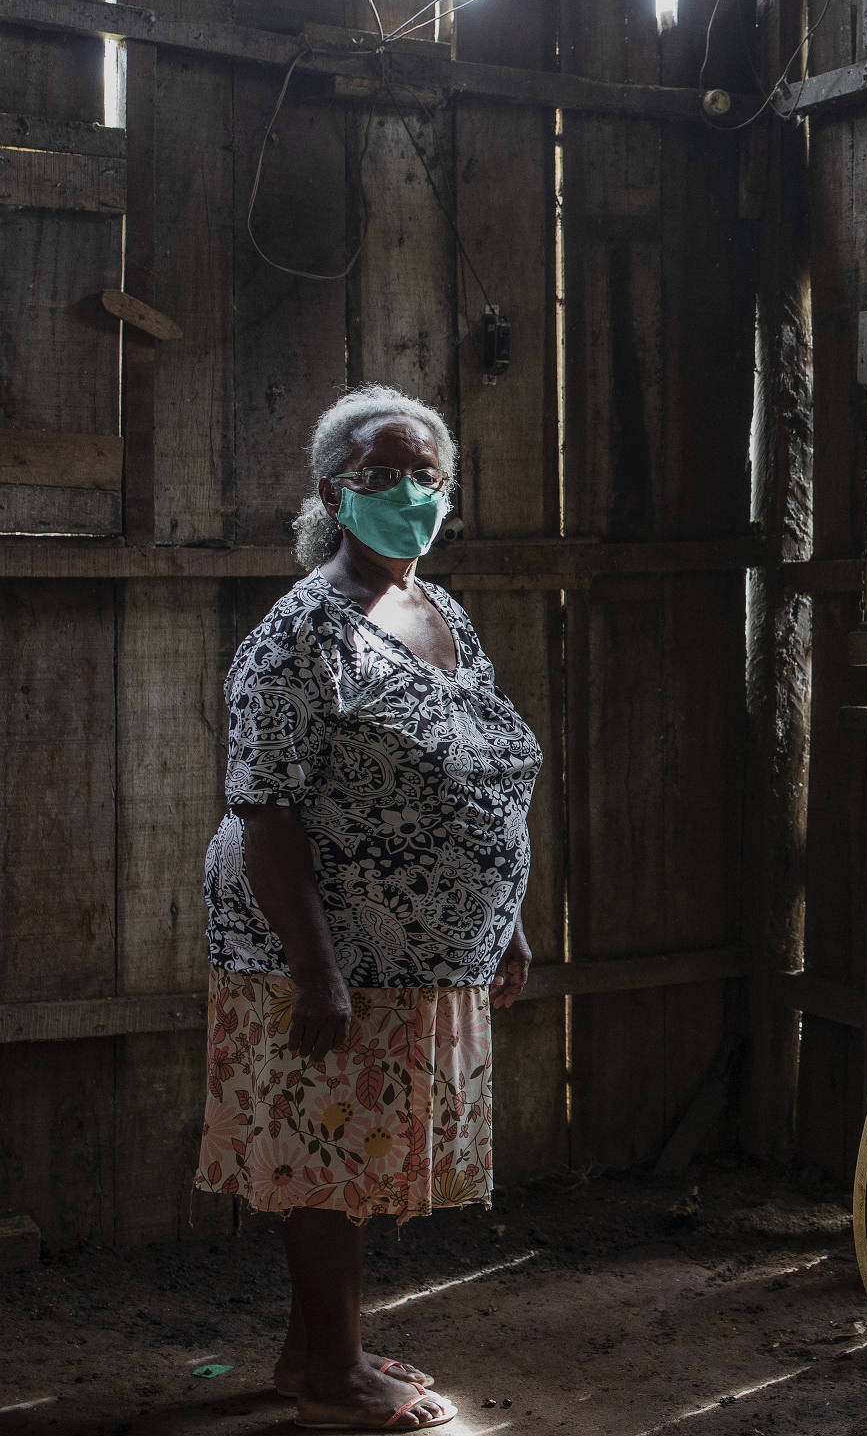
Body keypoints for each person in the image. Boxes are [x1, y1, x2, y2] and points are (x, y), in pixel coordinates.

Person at [194, 386, 541, 1431]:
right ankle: (338, 1371)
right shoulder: (303, 631)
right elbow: (266, 809)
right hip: (318, 945)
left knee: (355, 1148)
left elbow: (478, 771)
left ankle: (315, 1353)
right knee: (325, 1150)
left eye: (424, 475)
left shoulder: (439, 611)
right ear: (333, 493)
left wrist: (505, 914)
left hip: (424, 950)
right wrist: (318, 970)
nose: (406, 494)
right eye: (379, 475)